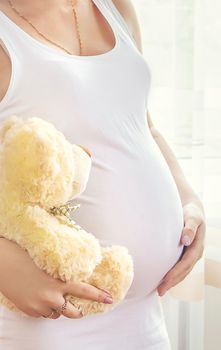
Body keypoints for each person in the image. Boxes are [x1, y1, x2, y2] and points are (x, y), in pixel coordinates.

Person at [0, 0, 206, 349]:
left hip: (144, 318)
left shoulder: (115, 7)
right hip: (50, 325)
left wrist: (188, 198)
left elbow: (142, 125)